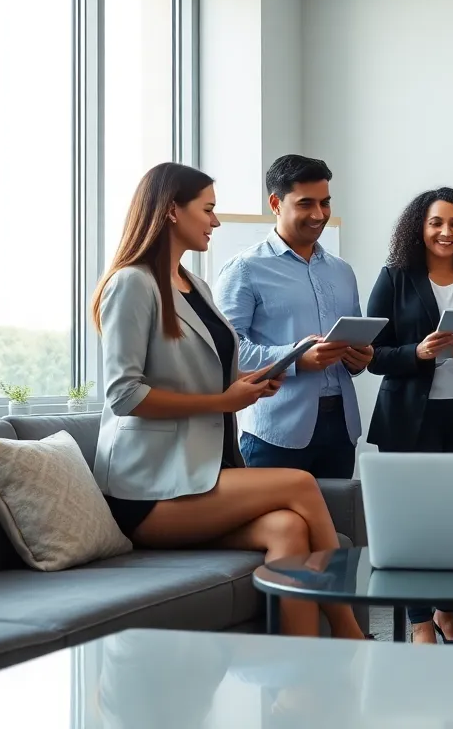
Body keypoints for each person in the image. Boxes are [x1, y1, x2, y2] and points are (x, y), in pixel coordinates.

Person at [90, 162, 365, 640]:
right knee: (301, 484)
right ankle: (350, 634)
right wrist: (223, 401)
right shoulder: (131, 283)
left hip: (199, 474)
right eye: (208, 210)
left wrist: (258, 379)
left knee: (287, 530)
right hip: (147, 490)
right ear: (172, 211)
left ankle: (297, 684)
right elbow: (124, 394)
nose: (216, 222)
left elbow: (213, 368)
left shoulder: (193, 285)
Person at [365, 186, 453, 645]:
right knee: (414, 526)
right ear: (418, 229)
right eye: (436, 223)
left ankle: (446, 611)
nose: (446, 232)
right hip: (408, 420)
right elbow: (374, 354)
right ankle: (420, 620)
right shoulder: (395, 277)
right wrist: (417, 352)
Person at [214, 155, 373, 480]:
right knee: (278, 529)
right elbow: (226, 351)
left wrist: (360, 358)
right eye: (306, 204)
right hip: (275, 431)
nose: (319, 214)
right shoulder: (244, 270)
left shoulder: (342, 271)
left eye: (325, 203)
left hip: (341, 429)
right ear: (276, 202)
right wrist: (297, 359)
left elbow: (354, 340)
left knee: (335, 527)